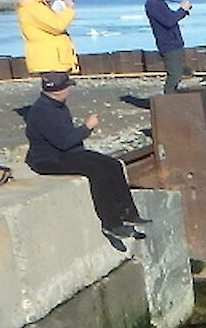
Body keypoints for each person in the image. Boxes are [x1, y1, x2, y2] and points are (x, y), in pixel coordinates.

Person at [23, 73, 147, 248]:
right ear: (59, 90)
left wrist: (86, 152)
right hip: (47, 159)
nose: (69, 90)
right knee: (98, 174)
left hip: (66, 153)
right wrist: (87, 127)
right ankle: (111, 224)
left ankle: (128, 213)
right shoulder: (43, 111)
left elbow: (67, 140)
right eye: (68, 87)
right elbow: (64, 142)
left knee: (113, 165)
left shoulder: (56, 106)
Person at [16, 0, 77, 75]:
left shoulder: (38, 6)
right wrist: (68, 10)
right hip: (49, 62)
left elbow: (50, 23)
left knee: (59, 89)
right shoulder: (33, 7)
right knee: (56, 90)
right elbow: (58, 25)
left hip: (53, 62)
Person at [144, 0, 192, 95]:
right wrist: (183, 9)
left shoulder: (159, 2)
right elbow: (169, 21)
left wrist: (183, 11)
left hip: (174, 42)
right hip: (168, 44)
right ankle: (168, 101)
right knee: (174, 75)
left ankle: (175, 94)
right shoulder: (153, 4)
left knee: (181, 71)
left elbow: (171, 17)